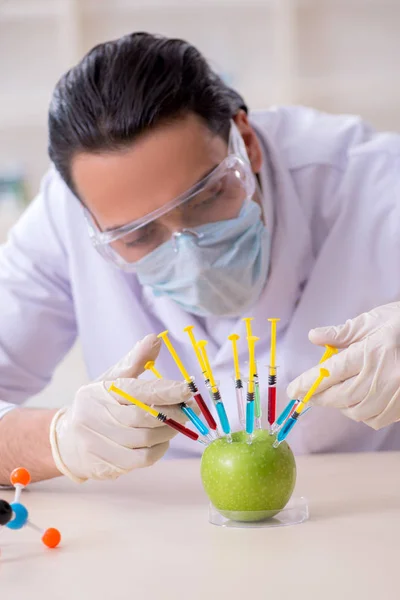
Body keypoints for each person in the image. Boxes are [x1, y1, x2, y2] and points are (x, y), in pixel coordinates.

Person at [1, 32, 400, 486]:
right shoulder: (65, 217)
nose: (190, 254)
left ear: (244, 142)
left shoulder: (378, 180)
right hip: (167, 530)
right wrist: (58, 440)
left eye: (206, 197)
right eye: (139, 233)